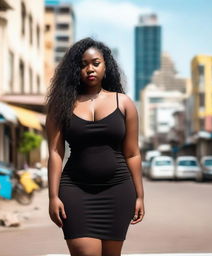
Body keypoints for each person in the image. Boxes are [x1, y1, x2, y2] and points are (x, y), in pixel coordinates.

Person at [45, 37, 145, 256]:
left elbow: (132, 153)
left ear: (106, 66)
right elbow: (55, 152)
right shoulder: (60, 105)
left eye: (95, 63)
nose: (90, 69)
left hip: (118, 189)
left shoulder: (124, 103)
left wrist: (139, 196)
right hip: (75, 190)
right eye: (83, 64)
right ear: (75, 70)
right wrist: (53, 196)